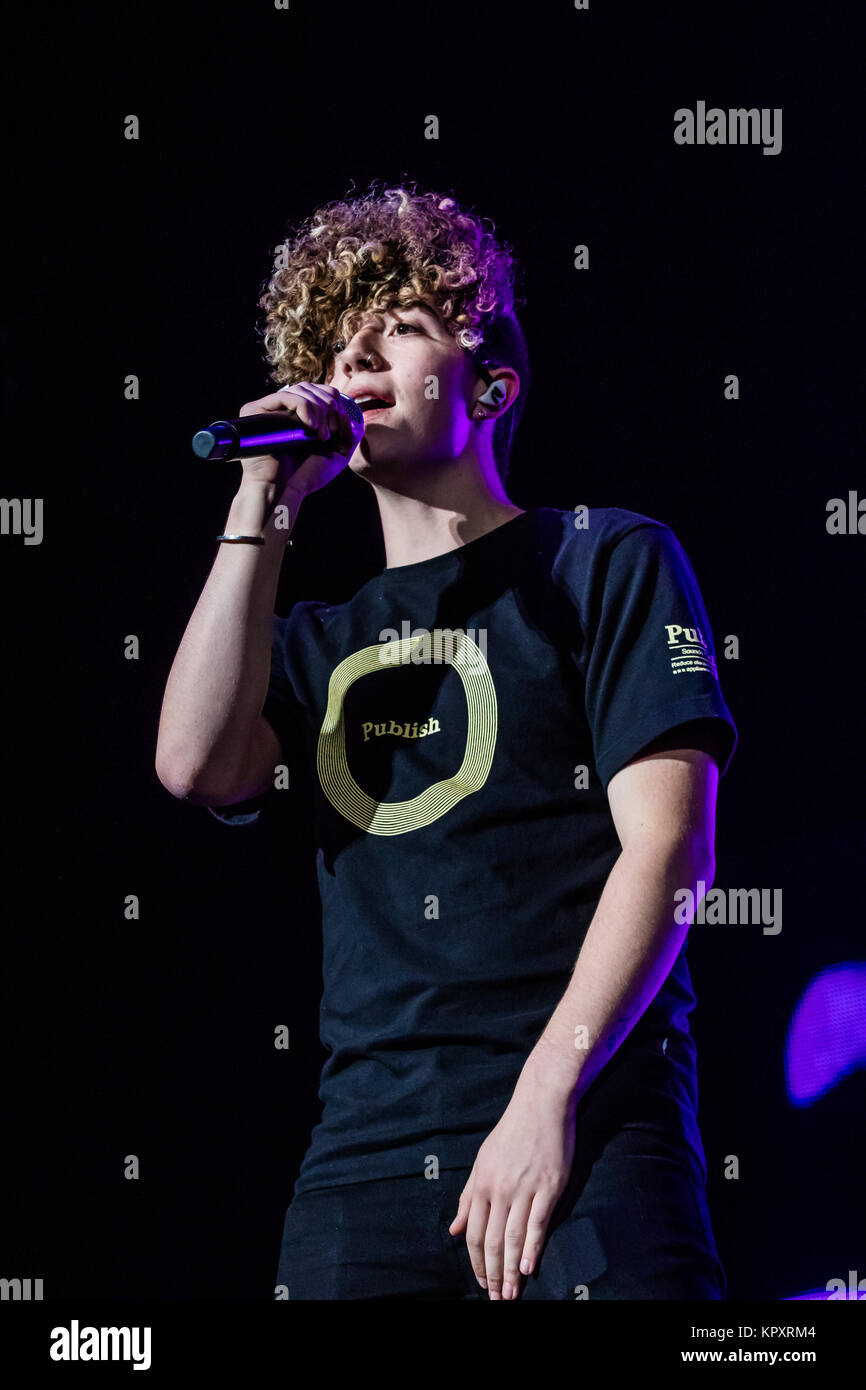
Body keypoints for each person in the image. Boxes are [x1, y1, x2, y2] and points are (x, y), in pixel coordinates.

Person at [155, 181, 737, 1301]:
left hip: (589, 1128)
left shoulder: (601, 559)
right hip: (363, 1162)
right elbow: (193, 763)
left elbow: (668, 854)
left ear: (491, 382)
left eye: (401, 326)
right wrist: (265, 492)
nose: (358, 351)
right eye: (339, 340)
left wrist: (542, 1099)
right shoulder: (317, 643)